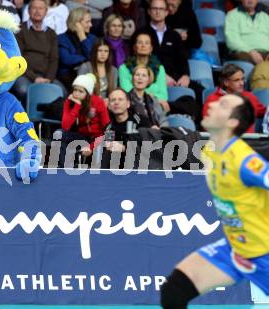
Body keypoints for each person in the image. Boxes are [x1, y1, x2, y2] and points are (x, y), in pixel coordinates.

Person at [160, 93, 269, 308]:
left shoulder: (245, 160)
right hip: (235, 250)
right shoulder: (209, 151)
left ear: (232, 122)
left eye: (223, 104)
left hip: (265, 252)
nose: (212, 104)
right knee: (175, 290)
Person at [13, 0, 62, 104]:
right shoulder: (19, 30)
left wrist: (49, 79)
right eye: (34, 8)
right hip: (24, 75)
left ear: (46, 11)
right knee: (24, 90)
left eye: (41, 8)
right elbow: (17, 59)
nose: (37, 11)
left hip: (45, 76)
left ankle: (46, 120)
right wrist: (34, 78)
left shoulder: (51, 33)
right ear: (28, 11)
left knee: (61, 92)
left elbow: (54, 59)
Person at [57, 73, 110, 167]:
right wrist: (76, 105)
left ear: (88, 93)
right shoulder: (70, 102)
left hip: (98, 138)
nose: (76, 93)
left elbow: (107, 129)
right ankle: (64, 168)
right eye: (75, 90)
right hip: (83, 137)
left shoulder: (98, 102)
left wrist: (91, 147)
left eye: (81, 91)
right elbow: (65, 126)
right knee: (59, 133)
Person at [203, 64, 266, 133]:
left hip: (250, 141)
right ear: (226, 82)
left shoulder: (250, 97)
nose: (242, 83)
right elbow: (208, 126)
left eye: (243, 79)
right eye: (237, 80)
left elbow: (264, 111)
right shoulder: (212, 100)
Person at [101, 87, 153, 169]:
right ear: (109, 106)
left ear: (128, 104)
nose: (116, 102)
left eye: (120, 99)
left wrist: (125, 148)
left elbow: (150, 146)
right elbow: (109, 148)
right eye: (113, 100)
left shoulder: (141, 121)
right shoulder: (108, 128)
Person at [119, 31, 168, 102]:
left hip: (154, 106)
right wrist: (152, 92)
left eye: (147, 43)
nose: (143, 45)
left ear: (151, 48)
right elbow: (128, 93)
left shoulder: (160, 68)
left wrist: (141, 92)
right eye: (140, 42)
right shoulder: (124, 68)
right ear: (134, 47)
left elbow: (163, 96)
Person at [57, 7, 96, 90]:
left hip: (89, 75)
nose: (91, 25)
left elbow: (93, 57)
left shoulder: (92, 38)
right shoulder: (62, 38)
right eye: (87, 22)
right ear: (76, 24)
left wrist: (82, 37)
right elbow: (66, 59)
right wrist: (86, 60)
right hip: (67, 77)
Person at [225, 0, 269, 64]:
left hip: (266, 53)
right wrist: (250, 51)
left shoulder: (265, 16)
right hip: (244, 53)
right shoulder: (232, 15)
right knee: (246, 59)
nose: (250, 0)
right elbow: (231, 41)